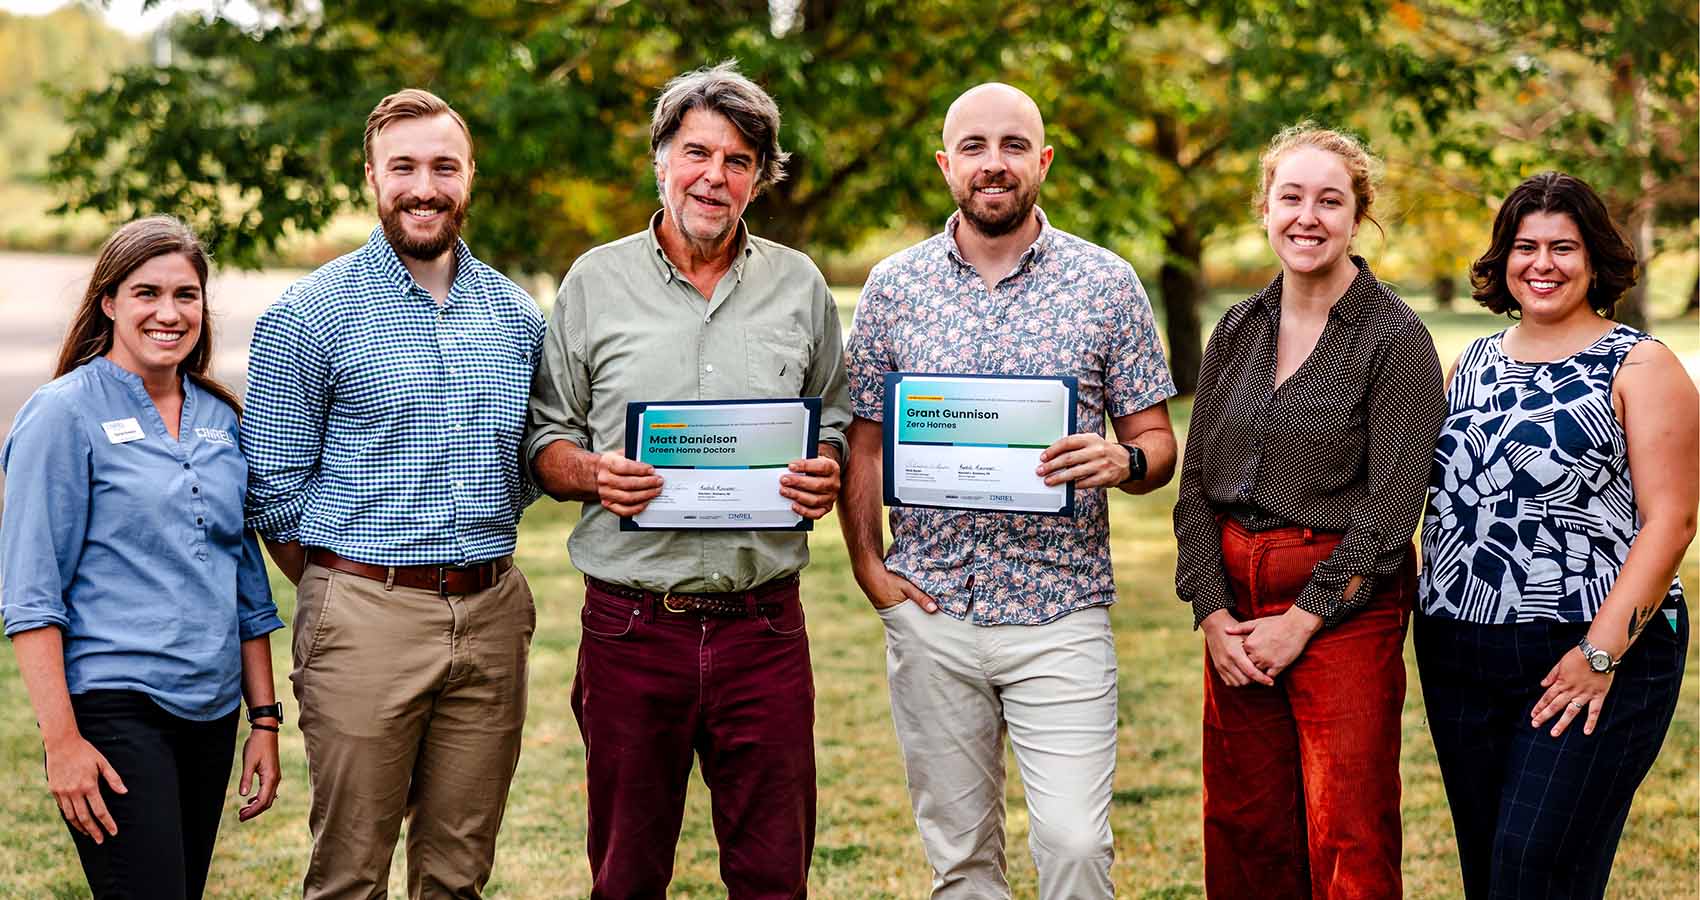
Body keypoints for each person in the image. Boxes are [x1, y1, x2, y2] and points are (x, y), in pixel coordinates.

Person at [840, 83, 1177, 900]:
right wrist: (869, 569)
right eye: (976, 147)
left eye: (1014, 146)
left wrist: (1123, 464)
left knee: (1073, 844)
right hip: (932, 608)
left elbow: (1157, 443)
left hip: (1060, 611)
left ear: (1044, 161)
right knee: (959, 861)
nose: (995, 164)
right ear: (945, 164)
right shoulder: (892, 286)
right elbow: (864, 440)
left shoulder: (1106, 282)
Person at [523, 62, 849, 898]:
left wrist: (828, 472)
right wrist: (595, 474)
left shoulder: (800, 285)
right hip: (633, 631)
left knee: (774, 874)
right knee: (626, 874)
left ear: (759, 178)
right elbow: (547, 439)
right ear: (662, 159)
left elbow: (838, 425)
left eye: (739, 160)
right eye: (697, 152)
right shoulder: (595, 282)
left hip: (764, 631)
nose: (715, 175)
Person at [242, 89, 545, 898]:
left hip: (491, 614)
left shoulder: (518, 316)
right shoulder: (309, 314)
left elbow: (529, 463)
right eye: (403, 166)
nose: (424, 186)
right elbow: (273, 489)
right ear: (370, 176)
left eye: (443, 166)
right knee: (349, 875)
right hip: (363, 613)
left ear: (470, 176)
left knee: (457, 874)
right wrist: (345, 590)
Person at [1170, 125, 1444, 899]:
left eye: (1331, 200)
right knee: (1245, 829)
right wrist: (1214, 614)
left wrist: (1304, 618)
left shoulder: (1394, 336)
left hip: (1343, 613)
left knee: (1347, 834)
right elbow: (1196, 488)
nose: (1308, 216)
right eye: (1291, 196)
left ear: (1360, 217)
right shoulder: (1237, 328)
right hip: (1236, 611)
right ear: (1264, 208)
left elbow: (1393, 510)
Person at [1415, 171, 1695, 899]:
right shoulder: (1469, 363)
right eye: (1525, 246)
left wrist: (1598, 655)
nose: (1542, 264)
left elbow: (1673, 521)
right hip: (1457, 651)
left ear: (1596, 259)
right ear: (1503, 260)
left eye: (1563, 247)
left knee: (1533, 871)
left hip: (1591, 649)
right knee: (1490, 873)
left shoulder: (1641, 364)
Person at [0, 216, 284, 899]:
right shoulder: (62, 414)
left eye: (185, 295)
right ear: (109, 302)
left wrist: (265, 721)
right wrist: (62, 743)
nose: (168, 312)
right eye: (146, 293)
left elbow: (246, 584)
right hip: (114, 706)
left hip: (211, 712)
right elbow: (31, 595)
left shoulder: (221, 418)